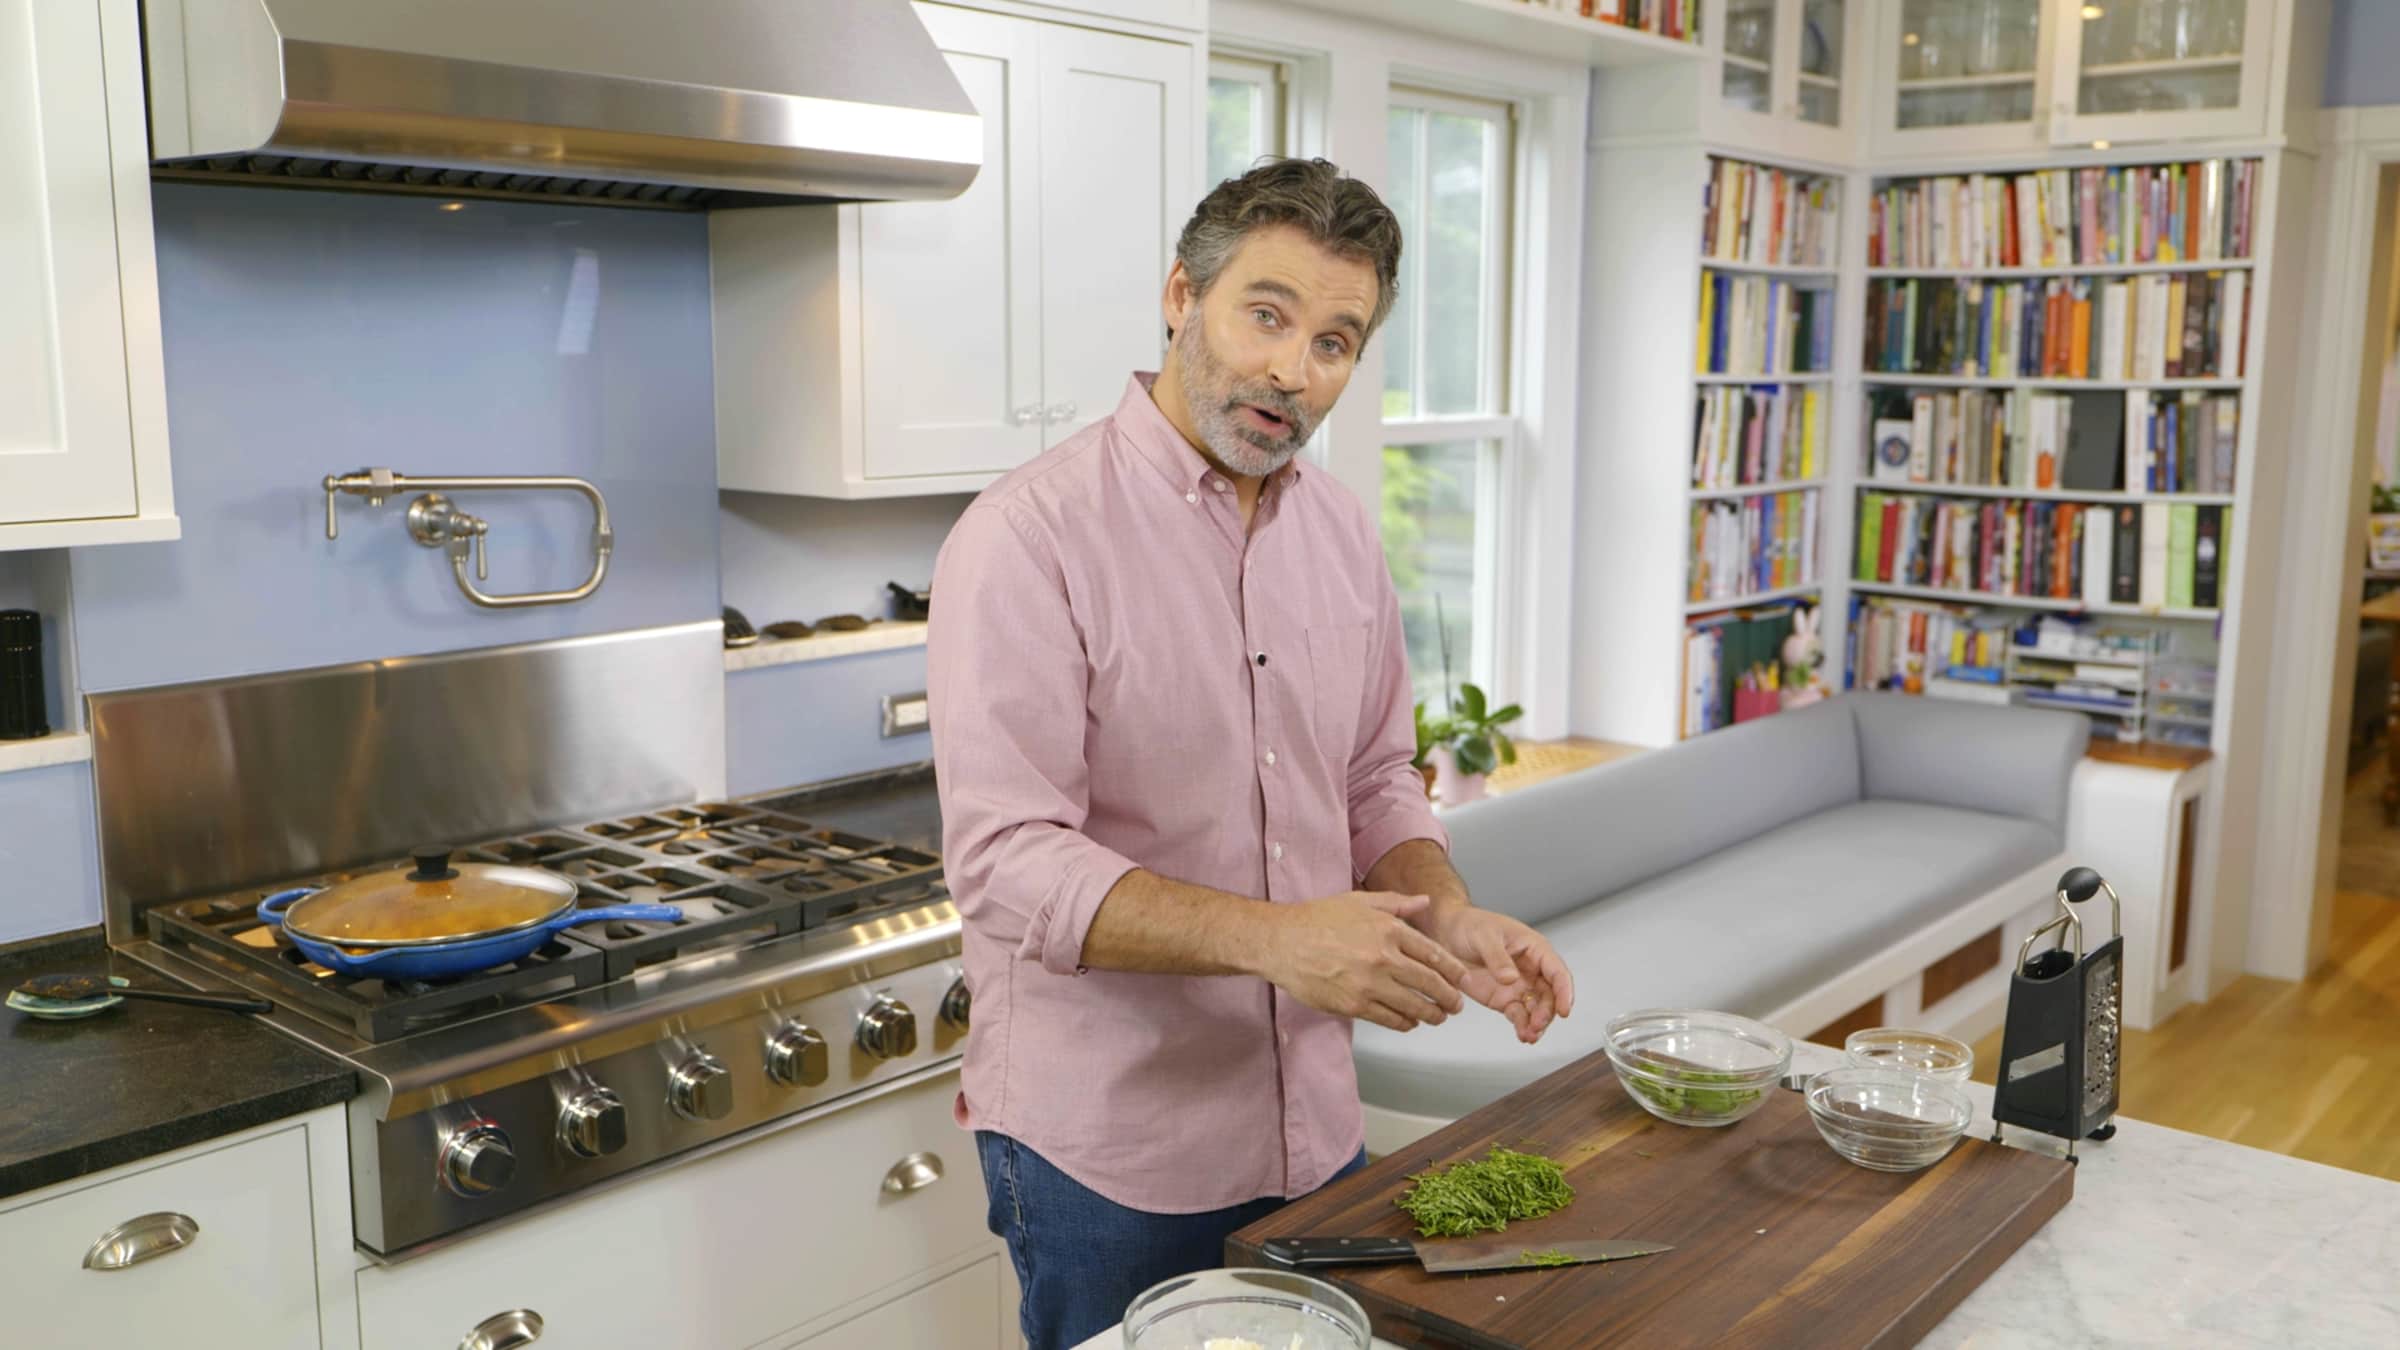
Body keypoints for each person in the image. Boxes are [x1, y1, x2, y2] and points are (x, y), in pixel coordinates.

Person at [927, 157, 1575, 1350]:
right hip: (1109, 1157)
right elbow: (1006, 862)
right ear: (1183, 295)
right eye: (1265, 316)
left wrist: (1443, 913)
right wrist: (1278, 941)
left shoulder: (1341, 531)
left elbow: (1374, 778)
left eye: (1334, 341)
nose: (1293, 370)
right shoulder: (1027, 537)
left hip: (1313, 1128)